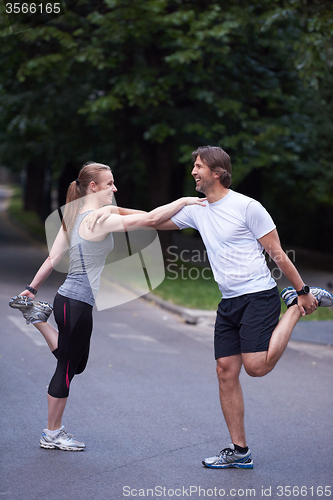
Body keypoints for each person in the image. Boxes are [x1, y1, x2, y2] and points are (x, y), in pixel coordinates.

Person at [89, 146, 333, 468]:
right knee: (225, 372)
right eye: (194, 165)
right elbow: (151, 220)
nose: (193, 171)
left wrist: (301, 290)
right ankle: (239, 452)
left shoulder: (248, 207)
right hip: (228, 301)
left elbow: (277, 253)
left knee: (256, 366)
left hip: (258, 294)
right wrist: (106, 212)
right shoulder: (197, 210)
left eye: (198, 166)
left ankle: (292, 306)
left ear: (217, 172)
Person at [9, 161, 205, 452]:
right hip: (76, 303)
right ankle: (52, 433)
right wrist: (186, 201)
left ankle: (37, 316)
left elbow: (53, 259)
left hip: (69, 300)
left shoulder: (75, 217)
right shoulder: (96, 221)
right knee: (66, 367)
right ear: (93, 187)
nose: (115, 188)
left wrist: (32, 288)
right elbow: (150, 221)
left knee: (77, 362)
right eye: (110, 183)